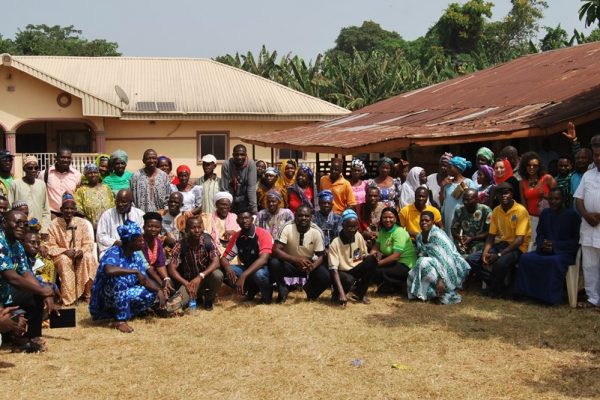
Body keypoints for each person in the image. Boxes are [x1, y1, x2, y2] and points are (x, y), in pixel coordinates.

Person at [89, 220, 165, 333]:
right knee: (119, 280)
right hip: (106, 297)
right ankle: (120, 320)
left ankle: (128, 313)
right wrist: (134, 271)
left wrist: (158, 290)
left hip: (125, 293)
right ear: (131, 242)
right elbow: (109, 270)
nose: (143, 242)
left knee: (150, 293)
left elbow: (144, 281)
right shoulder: (114, 252)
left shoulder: (136, 257)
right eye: (140, 240)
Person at [1, 210, 56, 352]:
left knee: (36, 293)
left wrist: (45, 293)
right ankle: (12, 336)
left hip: (6, 293)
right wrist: (44, 290)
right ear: (5, 223)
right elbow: (12, 277)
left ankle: (33, 337)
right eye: (17, 223)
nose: (21, 226)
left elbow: (26, 273)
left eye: (25, 224)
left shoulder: (17, 245)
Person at [514, 188, 580, 305]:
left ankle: (549, 298)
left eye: (556, 199)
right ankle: (527, 293)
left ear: (563, 199)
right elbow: (540, 234)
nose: (553, 202)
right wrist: (542, 244)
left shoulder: (572, 215)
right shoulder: (545, 213)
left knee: (553, 262)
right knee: (525, 258)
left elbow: (576, 240)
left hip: (564, 252)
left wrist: (555, 246)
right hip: (544, 250)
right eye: (551, 199)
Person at [467, 182, 531, 298]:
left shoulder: (521, 211)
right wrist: (485, 252)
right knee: (472, 259)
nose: (503, 196)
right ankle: (497, 286)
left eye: (506, 193)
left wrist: (499, 254)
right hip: (502, 244)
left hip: (517, 248)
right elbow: (491, 236)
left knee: (500, 263)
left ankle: (495, 290)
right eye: (500, 194)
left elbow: (519, 240)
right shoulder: (496, 210)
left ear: (511, 194)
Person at [269, 205, 330, 302]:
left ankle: (311, 293)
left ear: (311, 217)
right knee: (274, 262)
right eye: (300, 215)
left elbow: (321, 255)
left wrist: (313, 267)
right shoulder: (287, 227)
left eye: (306, 216)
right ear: (295, 215)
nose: (303, 218)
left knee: (326, 276)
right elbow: (275, 250)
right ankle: (283, 288)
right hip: (289, 262)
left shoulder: (317, 231)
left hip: (308, 264)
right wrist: (295, 259)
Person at [45, 193, 98, 305]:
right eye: (66, 208)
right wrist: (65, 251)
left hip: (79, 253)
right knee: (65, 261)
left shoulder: (82, 223)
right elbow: (50, 245)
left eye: (71, 208)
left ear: (75, 210)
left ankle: (87, 294)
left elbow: (88, 242)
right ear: (61, 210)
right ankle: (70, 297)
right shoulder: (54, 224)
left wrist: (81, 251)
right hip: (62, 255)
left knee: (88, 258)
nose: (69, 211)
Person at [408, 211, 471, 304]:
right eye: (422, 220)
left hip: (451, 267)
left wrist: (441, 279)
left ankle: (443, 291)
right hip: (435, 265)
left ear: (433, 222)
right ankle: (431, 293)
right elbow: (421, 253)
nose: (424, 222)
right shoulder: (420, 237)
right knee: (415, 269)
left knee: (423, 262)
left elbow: (446, 260)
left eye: (427, 220)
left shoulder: (437, 235)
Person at [168, 217, 224, 310]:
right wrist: (185, 283)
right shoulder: (181, 245)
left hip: (205, 278)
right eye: (193, 228)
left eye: (199, 227)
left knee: (218, 275)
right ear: (186, 230)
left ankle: (209, 299)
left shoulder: (207, 240)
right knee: (171, 308)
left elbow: (216, 262)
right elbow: (171, 268)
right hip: (189, 283)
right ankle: (197, 296)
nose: (197, 230)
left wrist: (200, 276)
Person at [222, 211, 273, 303]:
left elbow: (263, 260)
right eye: (241, 218)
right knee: (223, 270)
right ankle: (248, 290)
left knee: (259, 275)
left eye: (247, 218)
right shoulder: (236, 236)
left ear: (252, 220)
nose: (244, 221)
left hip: (263, 268)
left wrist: (243, 276)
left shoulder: (263, 234)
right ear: (237, 221)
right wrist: (227, 268)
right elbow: (224, 258)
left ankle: (266, 296)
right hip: (246, 267)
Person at [328, 209, 377, 306]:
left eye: (355, 227)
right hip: (342, 273)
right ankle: (337, 294)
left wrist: (374, 257)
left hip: (355, 269)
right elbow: (333, 270)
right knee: (348, 279)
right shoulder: (335, 243)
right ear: (343, 226)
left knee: (372, 260)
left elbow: (364, 255)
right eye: (349, 227)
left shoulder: (358, 236)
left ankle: (360, 293)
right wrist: (342, 293)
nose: (352, 230)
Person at [574, 134, 600, 309]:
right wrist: (586, 215)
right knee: (589, 265)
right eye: (596, 155)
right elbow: (578, 199)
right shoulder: (588, 175)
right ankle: (593, 298)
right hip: (588, 226)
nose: (598, 158)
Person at [371, 207, 417, 294]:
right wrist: (370, 258)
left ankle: (401, 284)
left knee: (377, 271)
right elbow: (375, 247)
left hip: (405, 265)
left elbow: (396, 256)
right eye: (385, 217)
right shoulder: (383, 231)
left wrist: (376, 264)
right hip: (393, 262)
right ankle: (391, 286)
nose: (387, 220)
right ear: (381, 219)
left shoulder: (399, 232)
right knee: (370, 267)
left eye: (390, 217)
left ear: (395, 219)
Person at [519, 151, 557, 243]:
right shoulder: (522, 183)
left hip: (549, 217)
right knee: (534, 244)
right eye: (529, 165)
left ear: (539, 167)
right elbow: (523, 204)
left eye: (535, 165)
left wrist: (544, 195)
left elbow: (558, 199)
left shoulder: (547, 178)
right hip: (533, 219)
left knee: (549, 243)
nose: (531, 167)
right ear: (524, 166)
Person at [9, 155, 51, 236]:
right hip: (21, 229)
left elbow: (46, 210)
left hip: (38, 229)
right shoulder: (15, 184)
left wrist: (44, 229)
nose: (33, 170)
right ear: (24, 169)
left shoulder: (41, 184)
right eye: (30, 168)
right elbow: (9, 208)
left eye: (36, 168)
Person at [96, 189, 145, 257]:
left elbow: (142, 234)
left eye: (123, 202)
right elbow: (100, 236)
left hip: (135, 250)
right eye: (117, 201)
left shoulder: (139, 214)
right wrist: (116, 242)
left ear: (131, 202)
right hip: (112, 249)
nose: (120, 204)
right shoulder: (107, 215)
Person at [440, 156, 478, 236]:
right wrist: (442, 186)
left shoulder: (468, 182)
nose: (447, 169)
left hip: (462, 216)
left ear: (458, 168)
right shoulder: (447, 184)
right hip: (448, 216)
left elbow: (474, 201)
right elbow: (442, 201)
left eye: (450, 167)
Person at [40, 147, 82, 217]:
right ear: (56, 158)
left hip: (70, 214)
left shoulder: (77, 175)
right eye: (62, 157)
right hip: (52, 215)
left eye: (68, 158)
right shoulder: (45, 174)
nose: (66, 160)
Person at [451, 189, 492, 256]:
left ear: (477, 199)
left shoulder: (486, 210)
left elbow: (490, 232)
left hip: (480, 242)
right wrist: (459, 237)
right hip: (464, 242)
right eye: (464, 199)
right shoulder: (459, 210)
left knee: (471, 256)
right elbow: (453, 228)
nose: (465, 202)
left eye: (468, 200)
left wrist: (472, 238)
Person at [74, 163, 115, 230]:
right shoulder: (81, 190)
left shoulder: (106, 188)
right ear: (85, 175)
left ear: (98, 173)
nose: (93, 175)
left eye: (95, 172)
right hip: (91, 228)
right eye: (89, 173)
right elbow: (78, 210)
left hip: (109, 226)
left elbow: (112, 205)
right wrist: (89, 225)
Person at [201, 192, 240, 257]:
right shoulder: (208, 218)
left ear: (230, 206)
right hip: (214, 249)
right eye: (222, 204)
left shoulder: (235, 217)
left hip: (233, 249)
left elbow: (242, 234)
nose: (224, 207)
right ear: (216, 205)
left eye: (227, 205)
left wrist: (233, 232)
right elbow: (205, 235)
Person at [221, 144, 257, 214]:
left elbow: (251, 188)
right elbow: (224, 188)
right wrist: (227, 207)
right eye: (237, 155)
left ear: (246, 155)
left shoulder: (251, 164)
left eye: (242, 155)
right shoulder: (227, 164)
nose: (239, 157)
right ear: (233, 155)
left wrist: (254, 210)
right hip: (231, 200)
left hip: (245, 201)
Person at [140, 212, 168, 287]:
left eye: (157, 227)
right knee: (157, 286)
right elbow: (147, 268)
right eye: (149, 226)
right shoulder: (139, 242)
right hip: (141, 274)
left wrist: (166, 279)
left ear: (161, 228)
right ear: (143, 227)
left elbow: (160, 264)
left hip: (153, 274)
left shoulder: (157, 242)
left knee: (169, 283)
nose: (153, 229)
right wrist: (162, 284)